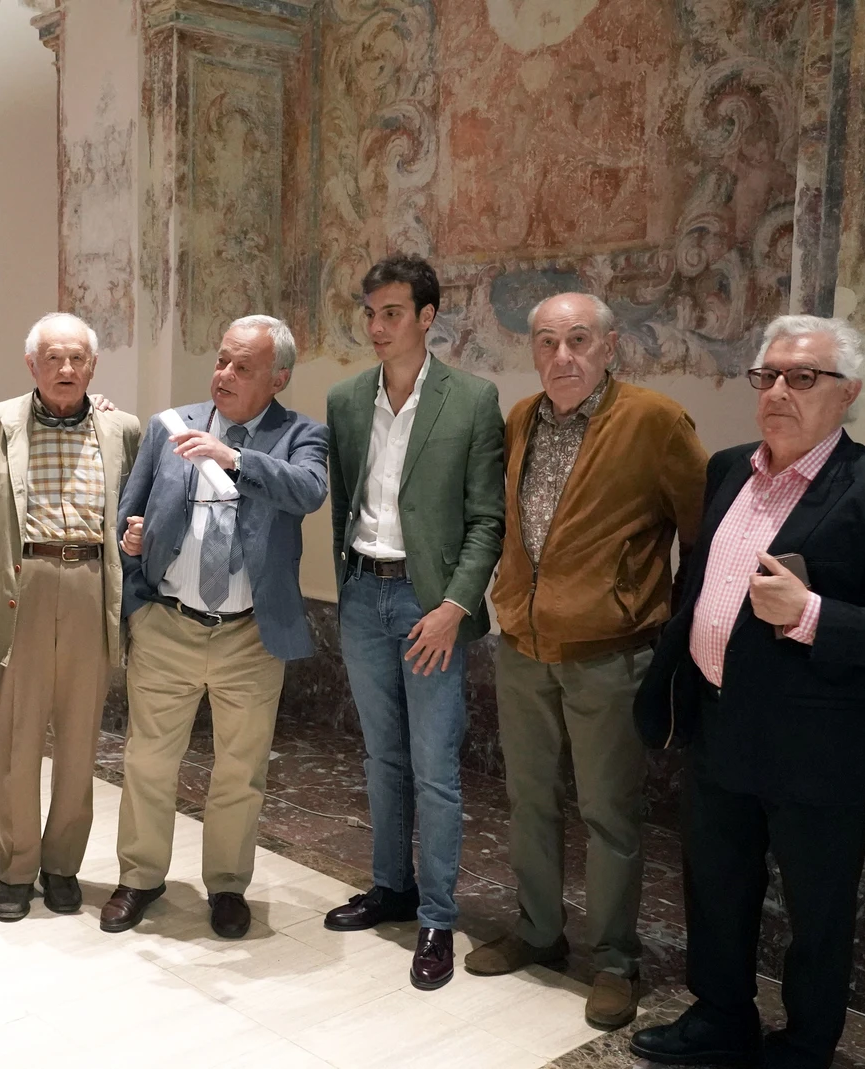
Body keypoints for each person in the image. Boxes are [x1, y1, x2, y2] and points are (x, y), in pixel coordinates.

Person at [629, 316, 865, 1069]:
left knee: (817, 912)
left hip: (817, 754)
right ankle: (721, 1017)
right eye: (767, 375)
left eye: (802, 377)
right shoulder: (728, 469)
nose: (778, 391)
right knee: (715, 887)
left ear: (849, 393)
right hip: (717, 724)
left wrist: (811, 615)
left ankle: (806, 1046)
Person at [470, 292, 707, 1029]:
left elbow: (703, 531)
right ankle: (539, 930)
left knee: (610, 813)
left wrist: (664, 623)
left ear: (610, 348)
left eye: (577, 340)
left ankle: (614, 959)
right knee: (530, 798)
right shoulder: (521, 420)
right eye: (546, 342)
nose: (561, 357)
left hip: (612, 653)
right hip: (523, 648)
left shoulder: (653, 421)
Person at [105, 314, 328, 939]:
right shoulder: (170, 426)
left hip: (250, 635)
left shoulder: (301, 436)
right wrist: (134, 554)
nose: (224, 374)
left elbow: (307, 492)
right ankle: (141, 877)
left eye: (243, 367)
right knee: (149, 760)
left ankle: (228, 886)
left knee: (240, 769)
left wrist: (233, 457)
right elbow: (133, 511)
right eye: (222, 360)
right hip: (169, 624)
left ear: (278, 377)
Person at [321, 253, 505, 991]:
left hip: (433, 607)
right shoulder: (343, 399)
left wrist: (452, 609)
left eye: (392, 312)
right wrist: (346, 588)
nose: (377, 325)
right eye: (369, 311)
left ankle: (436, 914)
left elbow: (487, 521)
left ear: (428, 318)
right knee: (381, 757)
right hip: (366, 594)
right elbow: (343, 500)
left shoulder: (471, 400)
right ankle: (390, 887)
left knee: (435, 766)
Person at [0, 313, 143, 921]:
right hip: (23, 582)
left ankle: (62, 865)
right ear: (32, 365)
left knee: (80, 736)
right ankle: (18, 869)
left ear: (93, 366)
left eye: (77, 359)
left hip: (92, 584)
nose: (66, 370)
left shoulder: (123, 428)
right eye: (53, 358)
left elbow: (140, 503)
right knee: (19, 735)